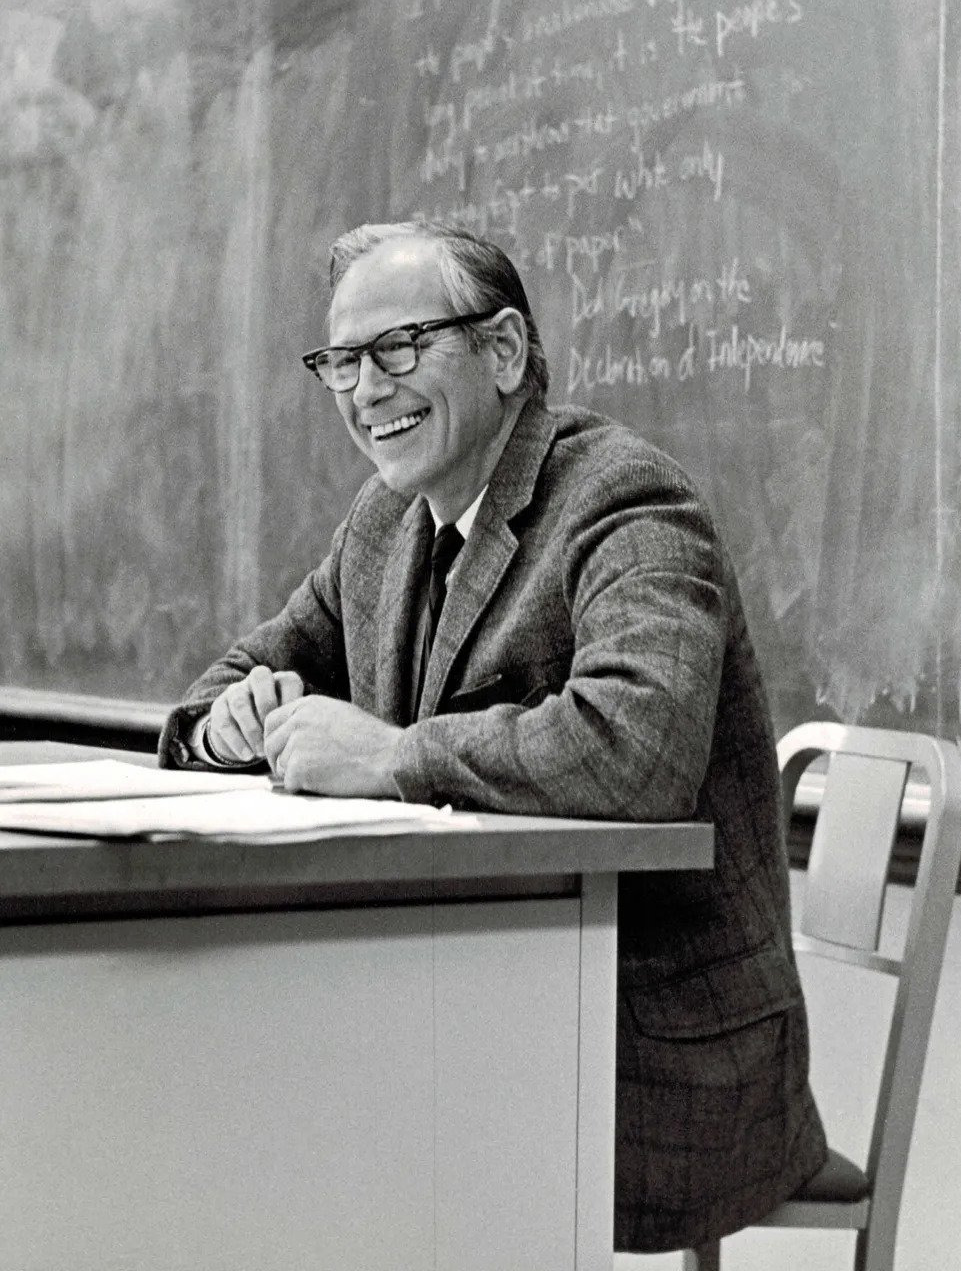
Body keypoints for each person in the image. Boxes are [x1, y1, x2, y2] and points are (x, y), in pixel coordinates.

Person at [160, 219, 827, 1253]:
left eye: (399, 347)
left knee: (306, 1148)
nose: (365, 390)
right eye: (342, 361)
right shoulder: (385, 523)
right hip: (474, 1007)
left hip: (648, 1057)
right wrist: (230, 725)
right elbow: (216, 692)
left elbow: (636, 749)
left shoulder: (626, 500)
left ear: (504, 350)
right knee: (245, 1107)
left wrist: (391, 756)